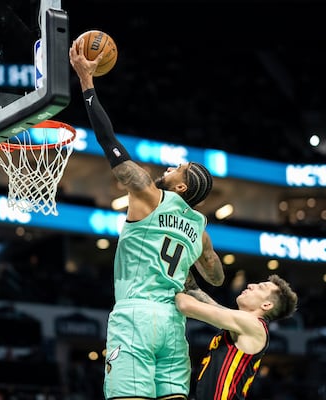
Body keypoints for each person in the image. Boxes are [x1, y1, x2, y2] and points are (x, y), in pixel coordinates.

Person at [69, 39, 225, 400]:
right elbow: (214, 276)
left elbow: (110, 143)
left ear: (182, 186)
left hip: (136, 317)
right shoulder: (200, 230)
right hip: (173, 325)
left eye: (176, 169)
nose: (168, 169)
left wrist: (87, 84)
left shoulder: (149, 195)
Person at [175, 272, 298, 400]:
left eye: (260, 287)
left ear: (266, 305)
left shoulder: (253, 325)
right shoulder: (242, 323)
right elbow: (209, 303)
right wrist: (187, 279)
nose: (250, 285)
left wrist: (169, 284)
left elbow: (185, 306)